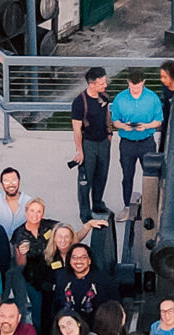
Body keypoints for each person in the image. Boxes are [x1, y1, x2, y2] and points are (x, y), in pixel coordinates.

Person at [109, 70, 165, 209]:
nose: (135, 90)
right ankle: (127, 205)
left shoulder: (152, 98)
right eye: (133, 87)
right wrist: (123, 126)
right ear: (128, 82)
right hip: (127, 144)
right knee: (127, 175)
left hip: (147, 142)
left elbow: (158, 120)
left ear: (143, 82)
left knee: (152, 175)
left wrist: (146, 126)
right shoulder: (120, 98)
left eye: (138, 87)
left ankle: (152, 206)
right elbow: (115, 120)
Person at [67, 66, 115, 220]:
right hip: (88, 144)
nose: (105, 85)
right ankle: (85, 213)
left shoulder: (104, 97)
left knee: (102, 175)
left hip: (103, 142)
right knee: (85, 180)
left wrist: (109, 133)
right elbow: (76, 129)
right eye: (101, 83)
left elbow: (107, 115)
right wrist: (79, 151)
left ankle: (98, 204)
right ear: (92, 84)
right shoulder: (79, 102)